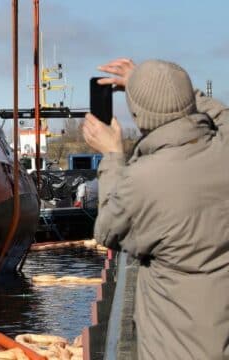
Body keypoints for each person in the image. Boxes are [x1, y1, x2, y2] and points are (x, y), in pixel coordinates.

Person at [83, 58, 229, 359]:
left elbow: (108, 229)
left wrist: (112, 156)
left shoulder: (143, 181)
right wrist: (171, 90)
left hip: (179, 346)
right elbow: (222, 115)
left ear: (139, 115)